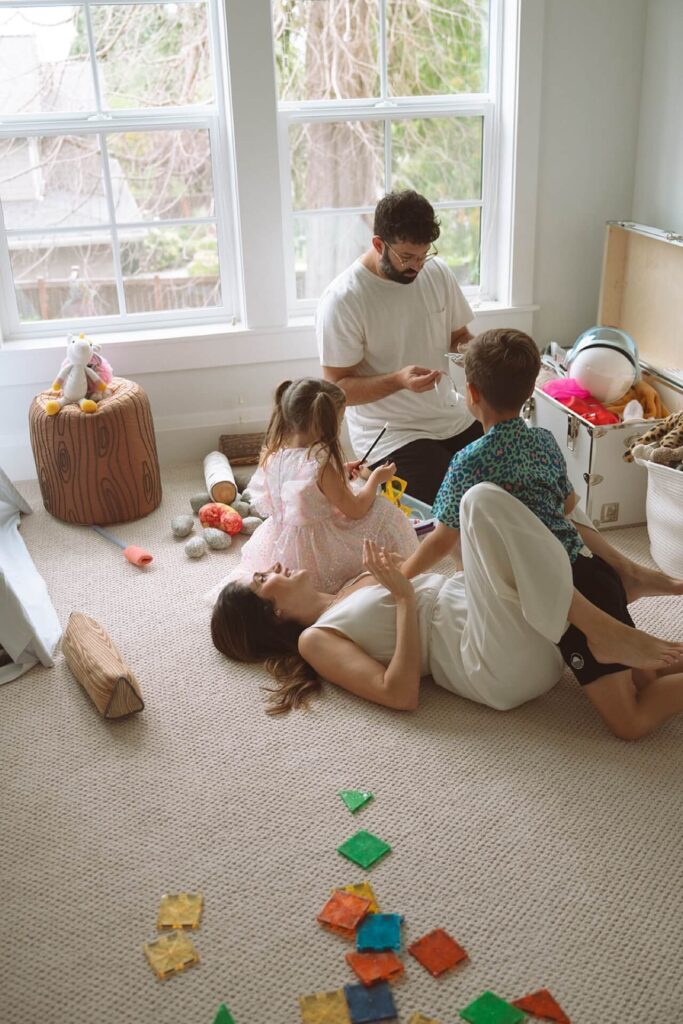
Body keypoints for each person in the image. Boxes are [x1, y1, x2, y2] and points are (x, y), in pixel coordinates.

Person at [210, 483, 683, 739]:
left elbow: (442, 566)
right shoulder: (316, 640)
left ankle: (621, 580)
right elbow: (399, 694)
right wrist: (403, 596)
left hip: (500, 612)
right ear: (269, 613)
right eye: (261, 579)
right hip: (488, 660)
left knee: (511, 493)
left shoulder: (350, 583)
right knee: (479, 499)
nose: (271, 566)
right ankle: (601, 622)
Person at [400, 328, 683, 739]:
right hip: (593, 573)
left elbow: (442, 539)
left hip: (567, 594)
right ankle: (630, 606)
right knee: (646, 678)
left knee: (631, 720)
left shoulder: (467, 462)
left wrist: (402, 575)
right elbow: (572, 513)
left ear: (471, 392)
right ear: (533, 388)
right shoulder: (544, 441)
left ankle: (610, 636)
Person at [316, 189, 483, 505]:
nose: (417, 266)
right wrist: (398, 381)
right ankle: (369, 472)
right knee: (450, 499)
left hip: (449, 414)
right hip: (389, 433)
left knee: (499, 478)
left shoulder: (436, 272)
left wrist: (483, 355)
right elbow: (337, 389)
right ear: (379, 244)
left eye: (423, 255)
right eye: (406, 257)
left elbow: (459, 336)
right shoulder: (344, 299)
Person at [219, 377, 418, 594]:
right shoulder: (320, 463)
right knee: (382, 509)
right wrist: (375, 480)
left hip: (280, 540)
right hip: (316, 550)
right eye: (340, 421)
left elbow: (297, 487)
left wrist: (339, 471)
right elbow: (357, 510)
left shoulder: (274, 454)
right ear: (325, 425)